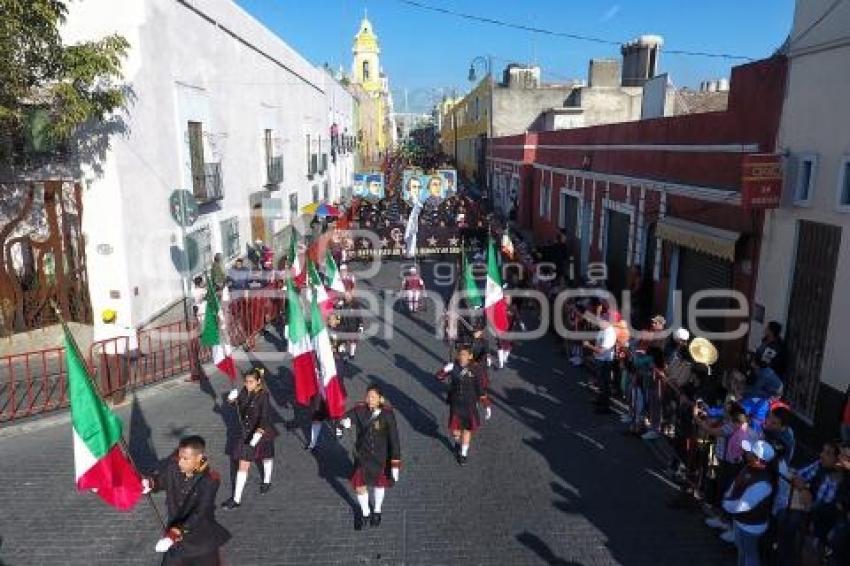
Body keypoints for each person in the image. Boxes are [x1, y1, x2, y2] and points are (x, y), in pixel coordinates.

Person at [143, 435, 231, 565]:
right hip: (176, 545)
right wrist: (149, 484)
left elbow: (199, 512)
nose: (180, 462)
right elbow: (161, 481)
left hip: (201, 544)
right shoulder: (173, 468)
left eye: (186, 459)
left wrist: (173, 535)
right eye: (180, 457)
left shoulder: (210, 480)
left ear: (199, 458)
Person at [339, 384, 402, 530]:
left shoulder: (387, 414)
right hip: (363, 457)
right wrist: (344, 422)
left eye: (373, 397)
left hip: (381, 458)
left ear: (381, 399)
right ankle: (365, 513)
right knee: (359, 486)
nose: (369, 399)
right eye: (368, 396)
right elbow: (345, 417)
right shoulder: (360, 409)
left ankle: (377, 510)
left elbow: (394, 440)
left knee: (379, 485)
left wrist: (395, 464)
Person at [221, 368, 278, 509]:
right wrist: (230, 399)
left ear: (258, 381)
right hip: (246, 433)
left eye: (251, 382)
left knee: (266, 457)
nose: (247, 384)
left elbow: (264, 417)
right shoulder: (244, 391)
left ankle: (267, 480)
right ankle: (236, 499)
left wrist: (258, 434)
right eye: (246, 381)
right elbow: (239, 404)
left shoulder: (263, 395)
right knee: (243, 465)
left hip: (261, 432)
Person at [721, 439, 777, 566]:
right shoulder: (749, 467)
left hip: (751, 526)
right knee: (742, 552)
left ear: (758, 460)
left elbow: (743, 505)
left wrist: (725, 503)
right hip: (740, 521)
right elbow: (735, 485)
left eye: (750, 452)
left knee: (750, 556)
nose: (747, 453)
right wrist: (727, 496)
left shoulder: (763, 483)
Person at [436, 346, 491, 465]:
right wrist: (445, 370)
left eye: (465, 355)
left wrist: (486, 405)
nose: (462, 357)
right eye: (460, 354)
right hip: (456, 404)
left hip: (470, 404)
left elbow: (480, 389)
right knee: (455, 431)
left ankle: (463, 453)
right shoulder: (453, 367)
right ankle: (457, 442)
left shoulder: (475, 370)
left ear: (470, 356)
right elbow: (438, 377)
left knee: (467, 430)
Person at [583, 297, 617, 414]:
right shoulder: (603, 329)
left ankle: (605, 406)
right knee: (600, 382)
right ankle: (600, 400)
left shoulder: (609, 333)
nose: (600, 322)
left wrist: (589, 346)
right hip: (600, 360)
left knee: (604, 384)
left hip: (604, 362)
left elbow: (602, 351)